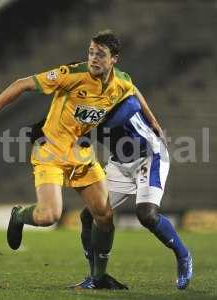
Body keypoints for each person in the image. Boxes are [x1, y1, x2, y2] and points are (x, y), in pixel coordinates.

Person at [0, 30, 159, 289]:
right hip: (50, 152)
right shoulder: (72, 74)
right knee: (49, 216)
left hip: (81, 153)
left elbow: (134, 91)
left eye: (100, 54)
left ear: (114, 59)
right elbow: (21, 84)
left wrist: (153, 121)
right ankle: (18, 216)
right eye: (91, 52)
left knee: (104, 216)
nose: (93, 58)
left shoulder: (121, 82)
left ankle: (98, 277)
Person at [72, 95, 193, 290]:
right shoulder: (82, 106)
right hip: (119, 163)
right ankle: (96, 278)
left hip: (150, 156)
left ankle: (183, 255)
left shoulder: (115, 87)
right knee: (89, 215)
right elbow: (82, 138)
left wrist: (91, 120)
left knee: (147, 215)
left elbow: (131, 105)